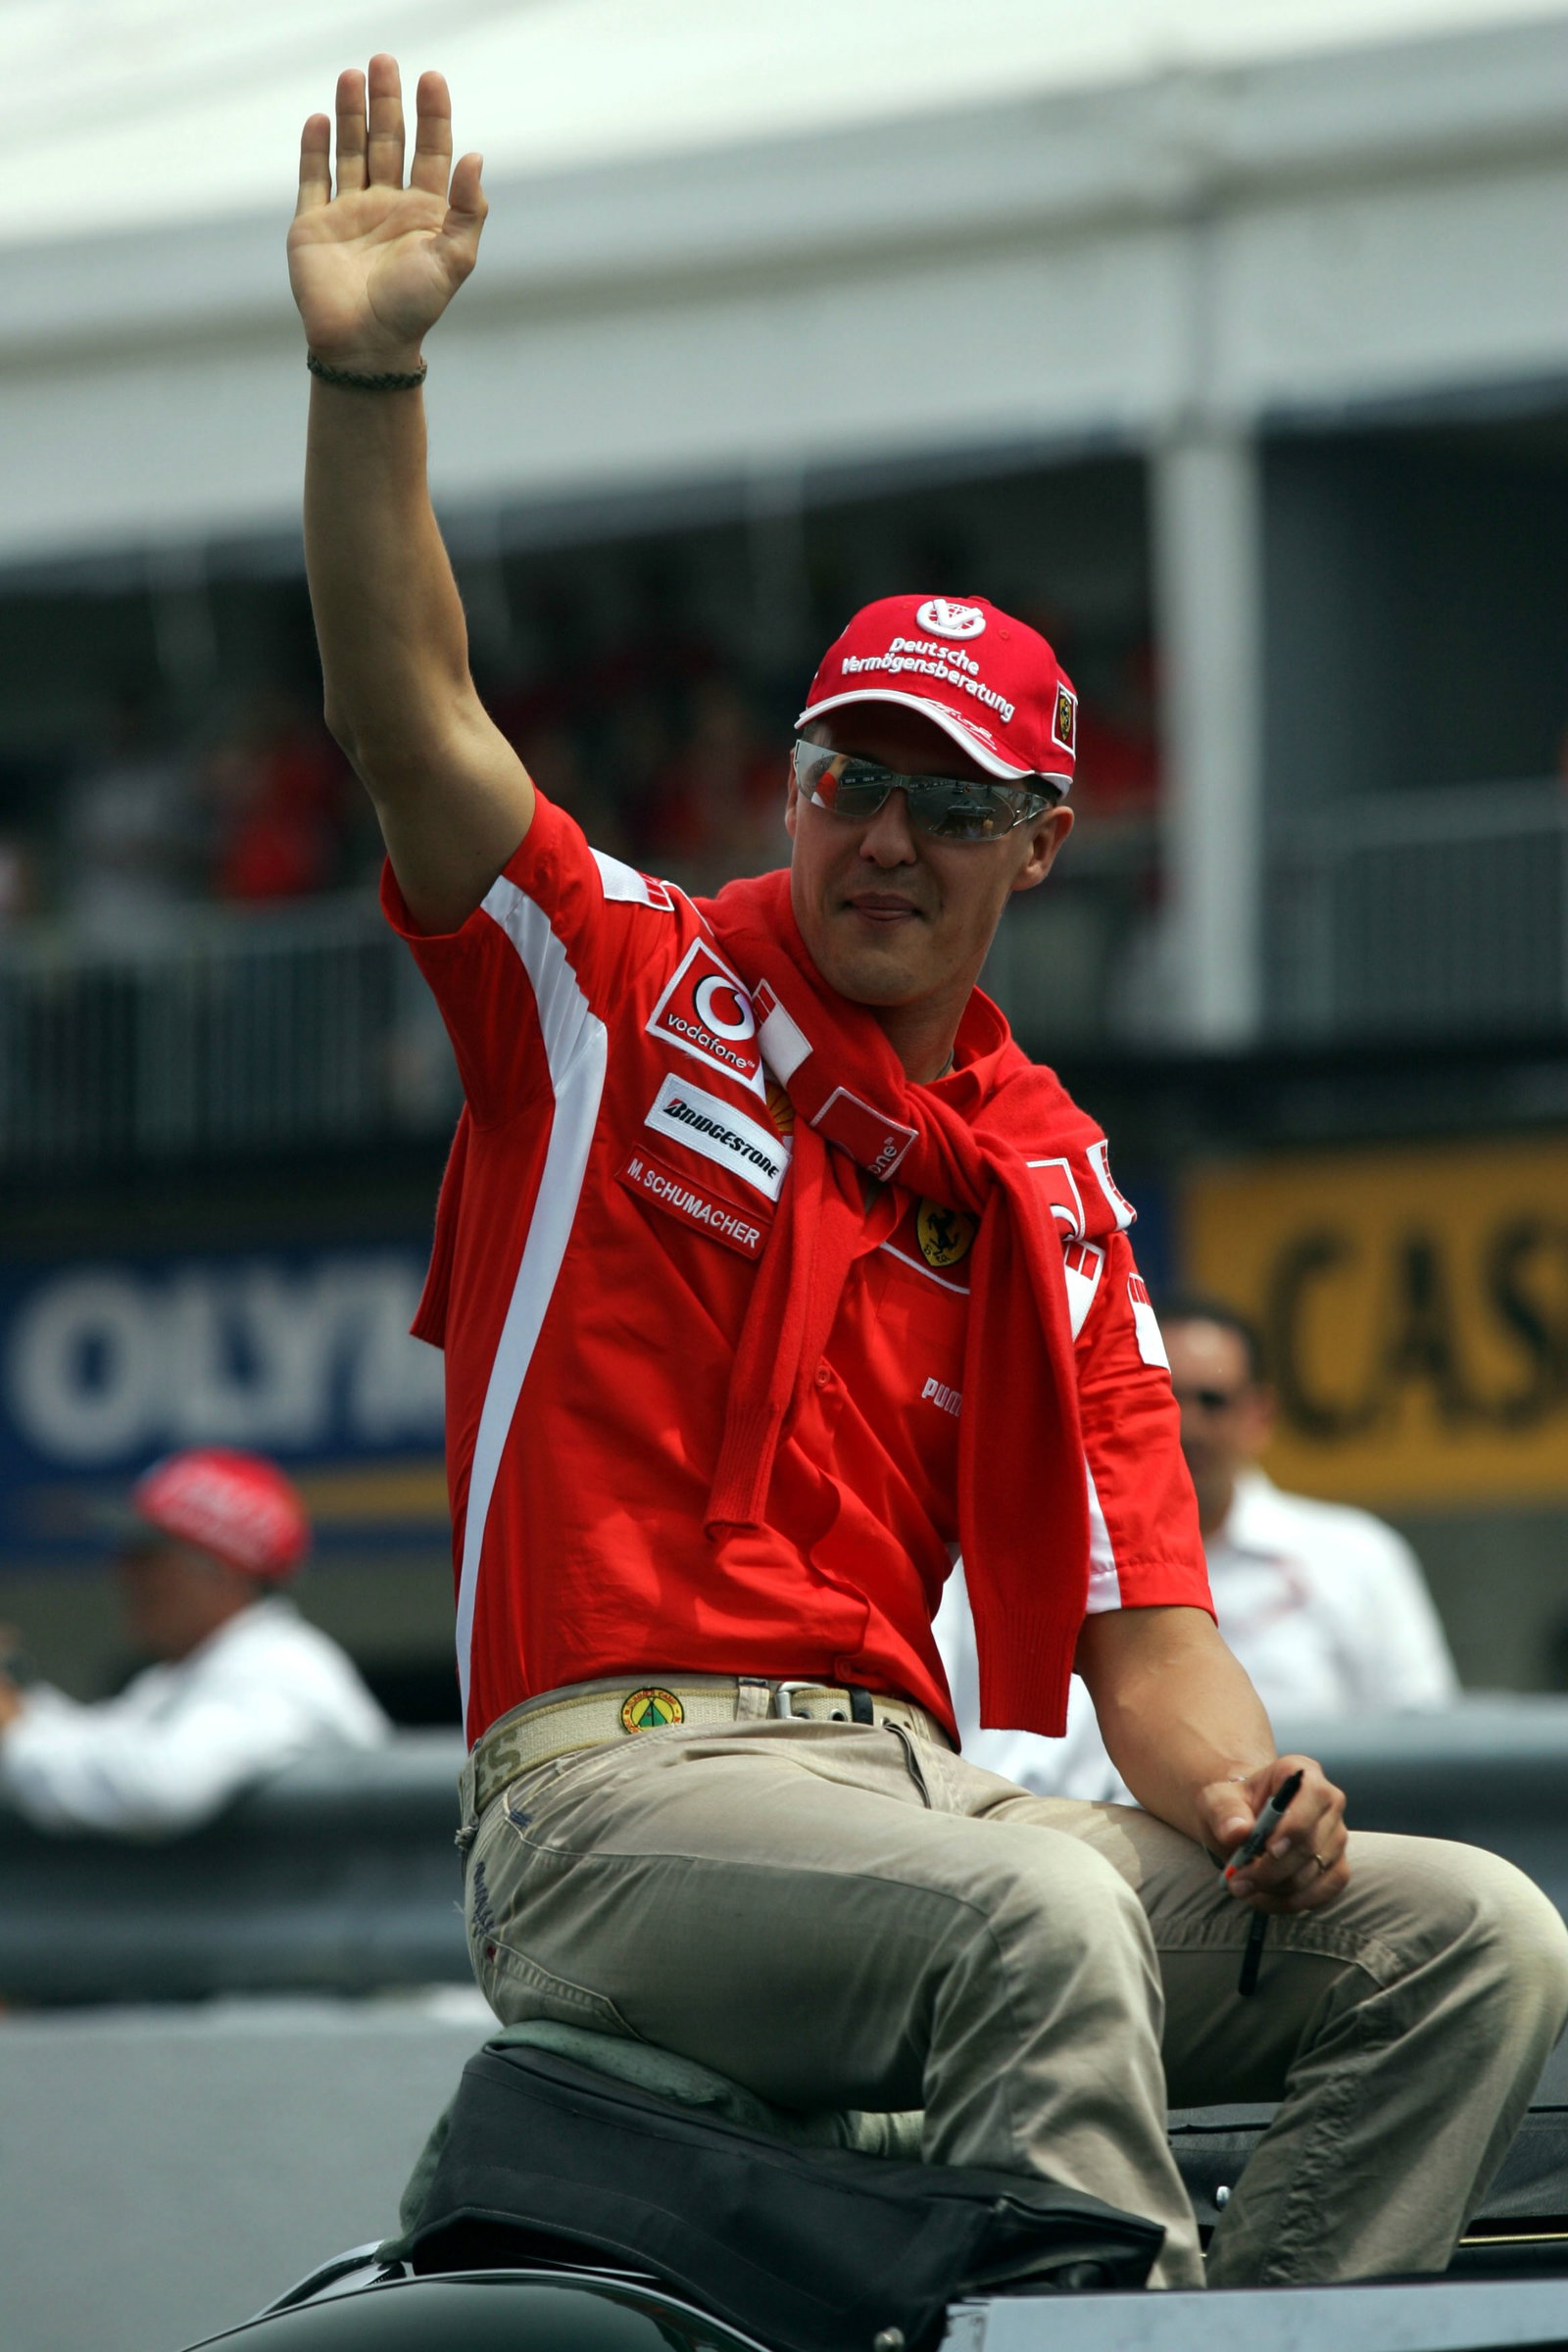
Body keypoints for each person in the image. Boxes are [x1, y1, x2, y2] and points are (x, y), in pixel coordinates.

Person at [286, 57, 1568, 2291]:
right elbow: (415, 716)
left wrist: (1253, 1800)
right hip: (620, 1801)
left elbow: (1145, 1647)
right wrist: (367, 375)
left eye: (948, 802)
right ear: (790, 786)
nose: (883, 837)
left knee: (1466, 1932)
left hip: (917, 1793)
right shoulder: (613, 986)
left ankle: (1230, 2342)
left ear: (1039, 843)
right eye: (845, 777)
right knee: (1043, 1896)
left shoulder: (1052, 1181)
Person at [939, 1295, 1460, 1802]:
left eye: (1212, 1400)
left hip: (1302, 1846)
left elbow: (1426, 1744)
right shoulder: (1010, 1556)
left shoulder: (1357, 1556)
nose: (1185, 1426)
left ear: (1260, 1416)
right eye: (1162, 1396)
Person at [0, 1447, 389, 1837]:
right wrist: (20, 1704)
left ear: (222, 1569)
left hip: (358, 1896)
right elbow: (99, 1743)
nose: (124, 1572)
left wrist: (15, 1734)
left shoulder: (281, 1667)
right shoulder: (185, 1675)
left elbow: (157, 1789)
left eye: (148, 1556)